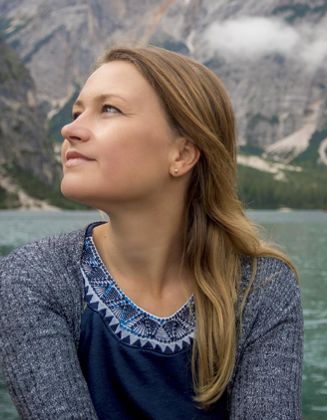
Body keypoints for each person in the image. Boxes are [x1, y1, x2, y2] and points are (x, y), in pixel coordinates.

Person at [0, 45, 304, 419]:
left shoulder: (262, 287)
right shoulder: (34, 277)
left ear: (182, 155)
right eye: (76, 112)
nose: (69, 128)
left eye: (109, 109)